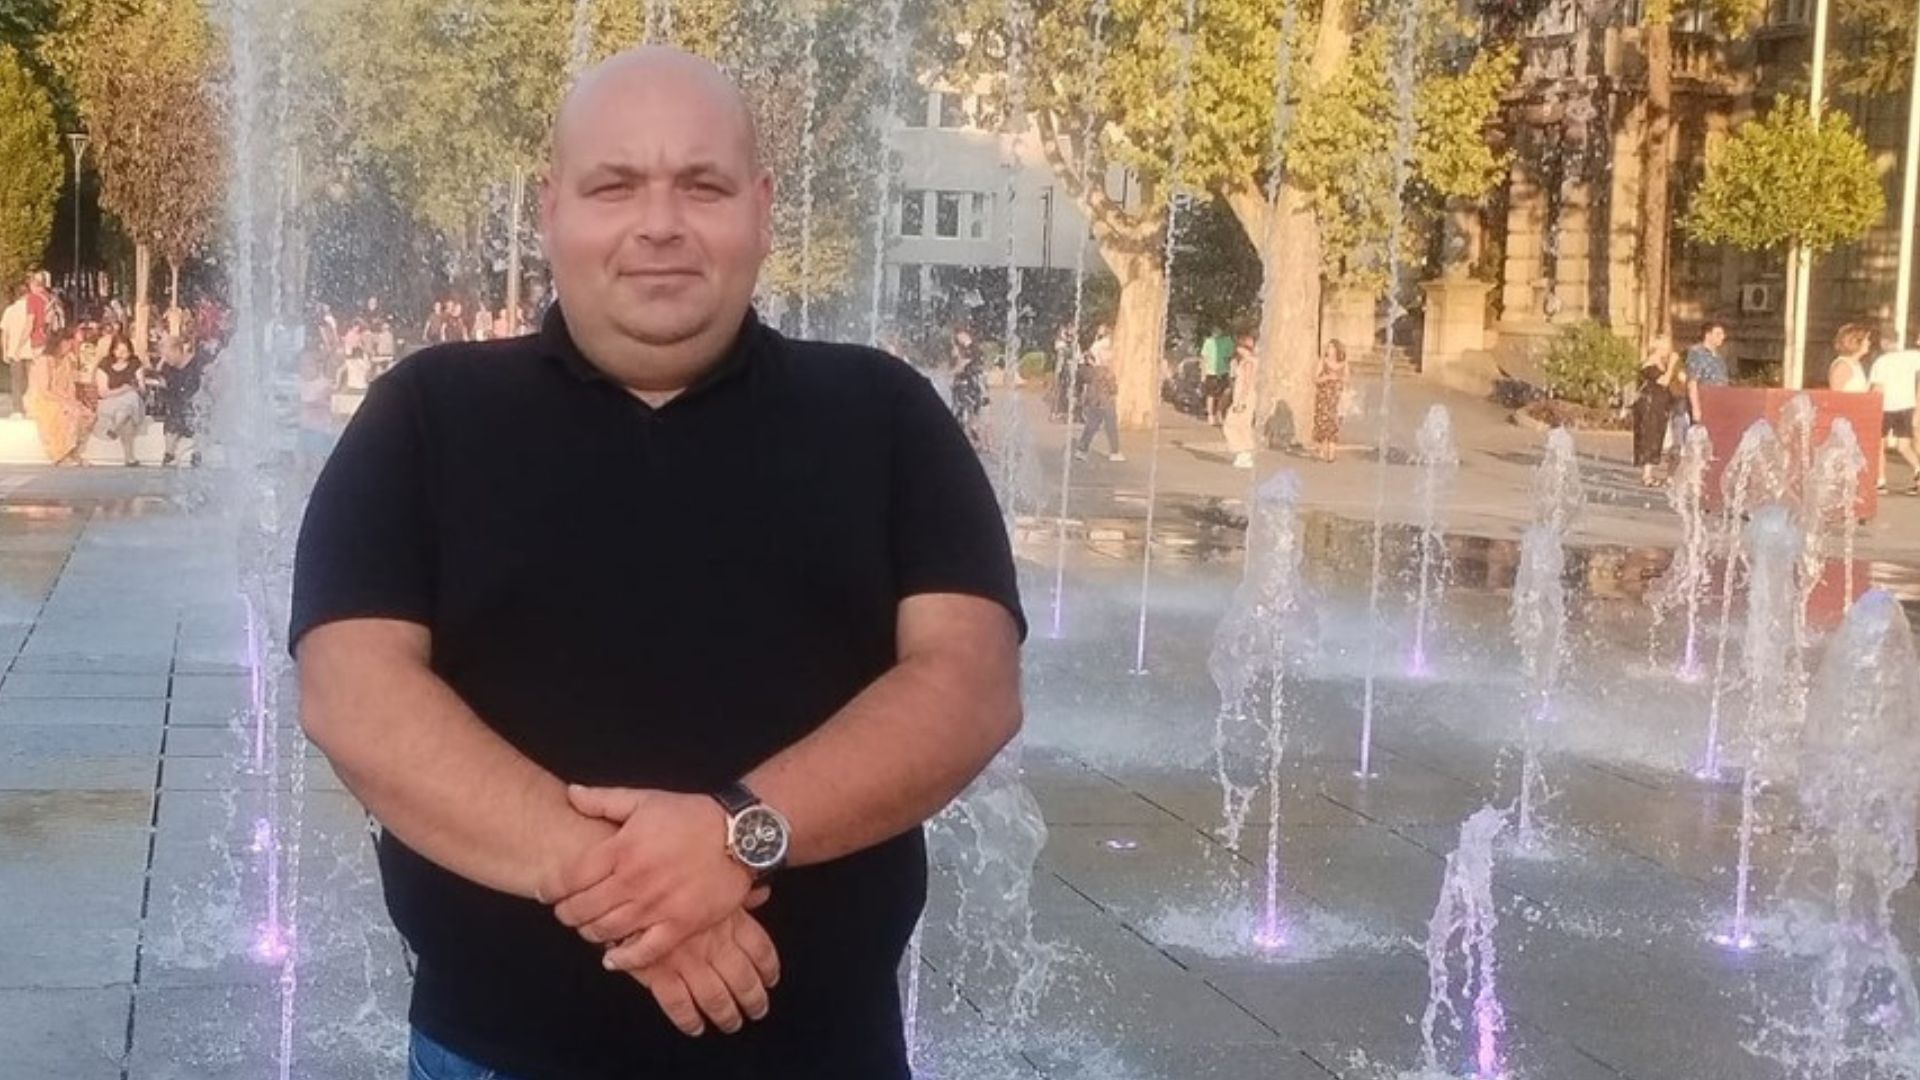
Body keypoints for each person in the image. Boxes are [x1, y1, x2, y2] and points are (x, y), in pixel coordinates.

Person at [292, 47, 1023, 1080]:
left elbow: (971, 682)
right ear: (551, 209)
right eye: (615, 186)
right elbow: (352, 693)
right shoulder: (425, 414)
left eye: (703, 186)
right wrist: (636, 882)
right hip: (496, 1055)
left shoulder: (884, 414)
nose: (660, 224)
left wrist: (737, 833)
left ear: (762, 209)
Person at [26, 329, 94, 466]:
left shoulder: (67, 360)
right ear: (59, 343)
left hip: (62, 397)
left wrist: (72, 400)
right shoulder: (44, 361)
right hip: (43, 399)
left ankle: (73, 452)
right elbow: (44, 390)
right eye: (68, 343)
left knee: (86, 414)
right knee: (66, 412)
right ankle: (60, 454)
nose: (71, 346)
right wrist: (66, 401)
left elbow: (69, 387)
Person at [149, 333, 210, 467]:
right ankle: (169, 454)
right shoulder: (168, 368)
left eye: (168, 356)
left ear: (177, 350)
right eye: (164, 356)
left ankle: (198, 452)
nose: (166, 359)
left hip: (197, 404)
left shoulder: (197, 364)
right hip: (178, 405)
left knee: (198, 414)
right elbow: (167, 391)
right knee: (173, 416)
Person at [1869, 338, 1920, 494]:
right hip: (1906, 406)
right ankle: (1918, 469)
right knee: (1903, 446)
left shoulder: (1880, 361)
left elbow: (1877, 388)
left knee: (1879, 444)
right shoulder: (1911, 357)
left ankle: (1881, 480)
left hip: (1885, 407)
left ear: (1883, 343)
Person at [93, 333, 146, 466]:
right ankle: (129, 457)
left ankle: (115, 428)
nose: (122, 355)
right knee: (126, 413)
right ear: (113, 350)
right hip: (110, 402)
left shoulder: (135, 363)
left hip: (131, 404)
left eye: (125, 351)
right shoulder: (105, 364)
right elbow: (103, 392)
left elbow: (142, 389)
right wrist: (123, 389)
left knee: (130, 400)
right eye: (119, 351)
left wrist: (135, 387)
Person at [1632, 340, 1676, 487]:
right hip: (1649, 407)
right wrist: (1671, 365)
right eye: (1666, 348)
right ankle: (1647, 475)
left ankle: (1651, 473)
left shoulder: (1660, 364)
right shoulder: (1649, 365)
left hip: (1659, 406)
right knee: (1649, 438)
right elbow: (1663, 381)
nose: (1668, 351)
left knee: (1657, 438)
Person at [1075, 338, 1123, 462]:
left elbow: (1086, 383)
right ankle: (1115, 452)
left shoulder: (1093, 371)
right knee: (1111, 426)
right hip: (1106, 402)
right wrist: (1114, 388)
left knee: (1091, 426)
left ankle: (1082, 450)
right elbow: (1113, 389)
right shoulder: (1107, 372)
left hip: (1094, 401)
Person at [1683, 319, 1730, 429]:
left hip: (1719, 403)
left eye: (1723, 334)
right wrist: (1696, 408)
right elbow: (1692, 381)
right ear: (1708, 335)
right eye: (1718, 334)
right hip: (1704, 401)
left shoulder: (1719, 356)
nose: (1722, 337)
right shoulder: (1697, 353)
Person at [1223, 336, 1259, 469]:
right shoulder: (1252, 361)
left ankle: (1242, 451)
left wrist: (1241, 401)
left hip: (1243, 398)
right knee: (1242, 424)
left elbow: (1247, 383)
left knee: (1232, 423)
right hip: (1246, 397)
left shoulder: (1247, 363)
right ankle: (1244, 452)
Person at [1311, 339, 1349, 462]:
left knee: (1334, 424)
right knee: (1323, 423)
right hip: (1324, 398)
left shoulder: (1343, 363)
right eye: (1328, 347)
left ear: (1337, 349)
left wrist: (1340, 380)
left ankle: (1331, 454)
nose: (1328, 349)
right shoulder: (1323, 362)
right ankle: (1322, 449)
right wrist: (1327, 377)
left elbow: (1347, 379)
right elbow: (1315, 379)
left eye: (1331, 347)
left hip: (1336, 398)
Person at [1, 281, 34, 417]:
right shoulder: (31, 309)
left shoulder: (10, 310)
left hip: (14, 350)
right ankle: (31, 407)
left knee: (16, 381)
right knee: (31, 380)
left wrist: (4, 351)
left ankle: (17, 409)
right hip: (30, 349)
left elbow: (4, 333)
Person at [1199, 327, 1234, 425]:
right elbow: (1204, 358)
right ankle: (1210, 415)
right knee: (1211, 394)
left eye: (1219, 329)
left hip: (1223, 371)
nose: (1216, 332)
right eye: (1215, 330)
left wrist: (1231, 371)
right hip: (1211, 371)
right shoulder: (1209, 342)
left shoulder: (1227, 341)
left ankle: (1219, 411)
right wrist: (1203, 373)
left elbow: (1230, 357)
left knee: (1226, 392)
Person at [1828, 323, 1871, 393]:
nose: (1869, 343)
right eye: (1866, 340)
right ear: (1855, 342)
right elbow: (1836, 396)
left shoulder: (1856, 363)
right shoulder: (1842, 365)